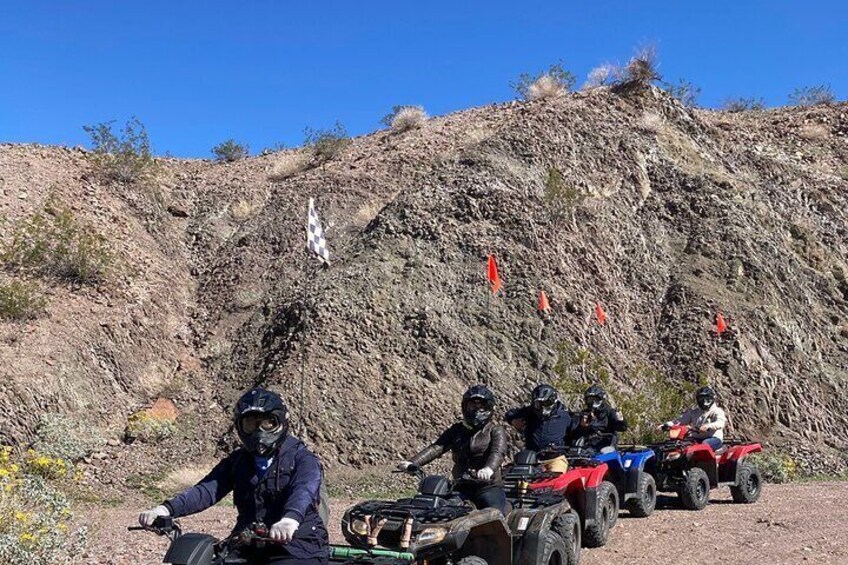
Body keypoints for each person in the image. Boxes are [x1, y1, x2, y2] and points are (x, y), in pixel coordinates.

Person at [138, 388, 329, 565]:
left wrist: (290, 519)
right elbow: (207, 490)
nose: (259, 432)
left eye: (267, 423)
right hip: (248, 545)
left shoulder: (302, 458)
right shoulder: (238, 461)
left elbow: (304, 489)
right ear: (240, 427)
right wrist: (165, 509)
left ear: (280, 422)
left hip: (296, 547)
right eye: (250, 425)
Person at [398, 385, 508, 513]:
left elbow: (498, 452)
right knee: (442, 510)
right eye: (472, 406)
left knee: (495, 512)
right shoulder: (456, 430)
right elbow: (437, 447)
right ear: (465, 407)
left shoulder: (495, 430)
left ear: (489, 408)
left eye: (481, 407)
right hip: (461, 485)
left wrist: (489, 469)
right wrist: (413, 462)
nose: (477, 410)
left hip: (488, 486)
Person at [505, 384, 574, 452]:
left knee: (559, 463)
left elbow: (577, 431)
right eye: (538, 404)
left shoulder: (565, 416)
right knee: (517, 462)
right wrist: (513, 420)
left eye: (547, 403)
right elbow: (511, 414)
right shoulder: (530, 412)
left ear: (554, 401)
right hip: (531, 456)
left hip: (555, 457)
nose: (543, 407)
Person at [664, 386, 726, 450]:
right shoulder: (694, 412)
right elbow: (680, 421)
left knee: (704, 445)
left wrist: (708, 426)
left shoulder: (717, 411)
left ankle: (703, 460)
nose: (704, 402)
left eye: (706, 398)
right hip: (696, 439)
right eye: (701, 399)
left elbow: (720, 423)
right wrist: (667, 424)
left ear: (711, 398)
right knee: (679, 445)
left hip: (714, 438)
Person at [569, 385, 628, 450]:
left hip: (606, 446)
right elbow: (574, 431)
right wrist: (582, 425)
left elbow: (622, 427)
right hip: (587, 447)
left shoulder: (609, 412)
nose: (593, 402)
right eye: (590, 400)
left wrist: (621, 420)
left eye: (595, 399)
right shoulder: (584, 413)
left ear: (601, 399)